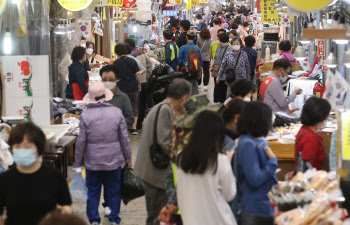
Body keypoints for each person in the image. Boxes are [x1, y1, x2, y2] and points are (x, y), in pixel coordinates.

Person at [134, 79, 191, 225]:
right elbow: (165, 141)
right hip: (155, 172)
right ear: (184, 97)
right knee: (157, 215)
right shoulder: (165, 109)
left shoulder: (163, 107)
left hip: (152, 170)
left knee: (155, 213)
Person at [74, 82, 132, 225]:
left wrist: (77, 163)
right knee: (114, 191)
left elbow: (81, 141)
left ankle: (94, 220)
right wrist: (128, 158)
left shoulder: (86, 115)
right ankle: (114, 219)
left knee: (93, 192)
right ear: (106, 96)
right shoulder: (116, 113)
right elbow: (124, 138)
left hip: (93, 162)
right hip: (114, 160)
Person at [0, 123, 72, 225]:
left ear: (38, 148)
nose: (22, 150)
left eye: (27, 146)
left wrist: (63, 213)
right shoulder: (4, 180)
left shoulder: (55, 177)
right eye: (17, 146)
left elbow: (67, 205)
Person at [175, 110, 237, 225]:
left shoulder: (181, 157)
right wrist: (228, 161)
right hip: (218, 220)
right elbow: (230, 194)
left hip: (190, 220)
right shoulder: (220, 160)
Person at [234, 102, 277, 224]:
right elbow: (255, 179)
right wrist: (272, 163)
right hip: (255, 209)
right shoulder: (247, 144)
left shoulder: (252, 141)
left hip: (262, 206)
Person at [125, 38, 154, 130]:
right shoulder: (141, 52)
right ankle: (140, 123)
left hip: (137, 84)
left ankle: (135, 125)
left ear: (128, 46)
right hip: (144, 81)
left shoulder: (131, 56)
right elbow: (149, 64)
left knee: (136, 105)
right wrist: (147, 76)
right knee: (142, 104)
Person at [295, 97, 331, 170]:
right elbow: (307, 169)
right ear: (320, 116)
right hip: (312, 178)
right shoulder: (311, 137)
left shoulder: (304, 129)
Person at [113, 43, 141, 135]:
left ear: (116, 52)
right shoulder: (133, 61)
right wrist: (139, 85)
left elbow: (114, 77)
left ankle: (122, 127)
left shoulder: (116, 63)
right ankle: (134, 128)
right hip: (133, 87)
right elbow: (138, 74)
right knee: (134, 106)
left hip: (121, 88)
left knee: (121, 107)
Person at [178, 30, 203, 96]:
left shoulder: (182, 48)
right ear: (195, 38)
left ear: (186, 37)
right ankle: (193, 104)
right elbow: (201, 61)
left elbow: (179, 61)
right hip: (195, 71)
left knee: (184, 91)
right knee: (194, 91)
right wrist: (200, 72)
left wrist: (177, 71)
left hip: (185, 72)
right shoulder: (197, 49)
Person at [213, 33, 233, 103]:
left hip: (224, 73)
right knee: (217, 89)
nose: (217, 40)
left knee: (223, 90)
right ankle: (217, 103)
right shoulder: (219, 48)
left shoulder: (229, 48)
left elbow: (227, 62)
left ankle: (222, 104)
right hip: (217, 71)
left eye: (218, 39)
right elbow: (216, 58)